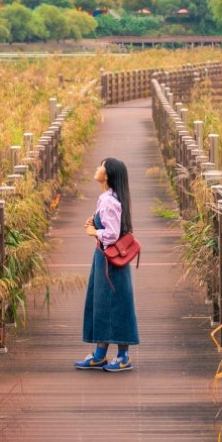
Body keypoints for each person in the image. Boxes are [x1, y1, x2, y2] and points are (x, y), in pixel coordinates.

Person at [75, 156, 140, 372]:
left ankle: (123, 356)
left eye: (101, 166)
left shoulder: (109, 201)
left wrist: (94, 230)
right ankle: (100, 354)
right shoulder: (107, 198)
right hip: (105, 258)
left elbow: (111, 234)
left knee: (116, 304)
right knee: (103, 303)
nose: (97, 168)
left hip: (110, 261)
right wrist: (94, 219)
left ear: (108, 174)